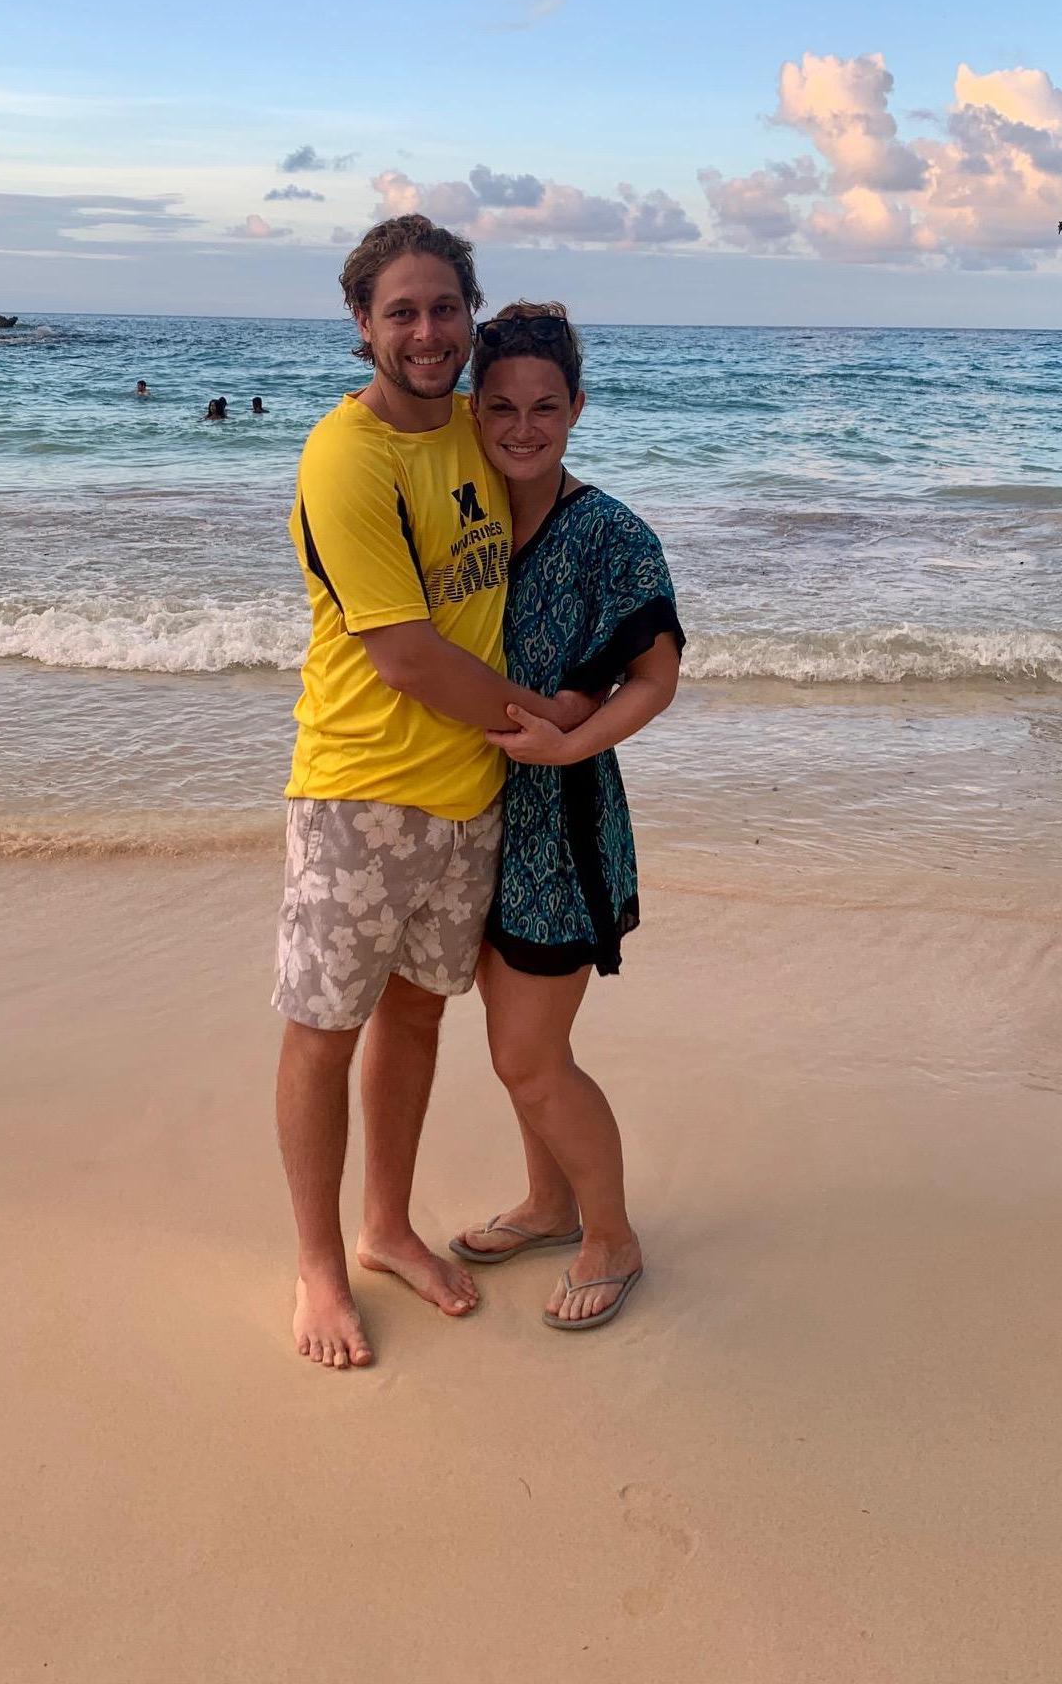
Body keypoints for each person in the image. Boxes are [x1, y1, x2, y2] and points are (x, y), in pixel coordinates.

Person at [274, 219, 598, 1371]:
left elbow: (550, 493)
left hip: (470, 794)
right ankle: (320, 1267)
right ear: (363, 324)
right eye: (401, 311)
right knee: (323, 1033)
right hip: (359, 795)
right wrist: (551, 718)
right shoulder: (346, 457)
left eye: (444, 308)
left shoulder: (472, 428)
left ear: (469, 314)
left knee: (416, 1018)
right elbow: (406, 655)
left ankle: (386, 1228)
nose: (426, 332)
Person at [447, 302, 684, 1331]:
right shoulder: (462, 520)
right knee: (511, 1041)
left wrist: (567, 744)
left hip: (564, 825)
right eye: (501, 406)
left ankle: (612, 1235)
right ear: (474, 409)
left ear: (577, 407)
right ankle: (549, 1206)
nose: (523, 426)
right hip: (471, 813)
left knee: (530, 1056)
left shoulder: (612, 534)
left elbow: (655, 678)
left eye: (545, 406)